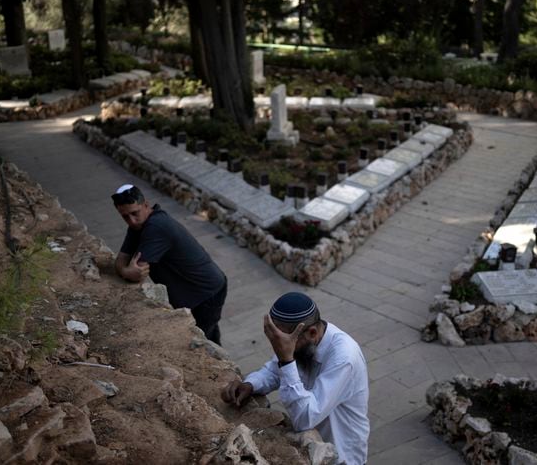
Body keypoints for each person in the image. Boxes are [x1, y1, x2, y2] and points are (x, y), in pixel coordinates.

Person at [221, 292, 369, 465]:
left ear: (312, 333)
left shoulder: (344, 357)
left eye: (283, 343)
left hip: (341, 455)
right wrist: (250, 384)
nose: (279, 347)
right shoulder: (304, 341)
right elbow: (274, 371)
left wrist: (286, 360)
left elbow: (304, 419)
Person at [112, 184, 227, 344]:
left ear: (146, 205)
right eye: (125, 216)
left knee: (201, 344)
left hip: (206, 294)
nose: (131, 220)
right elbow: (122, 262)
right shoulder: (138, 226)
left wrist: (125, 271)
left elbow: (136, 272)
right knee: (210, 338)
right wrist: (125, 271)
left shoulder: (156, 227)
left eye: (134, 213)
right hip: (199, 292)